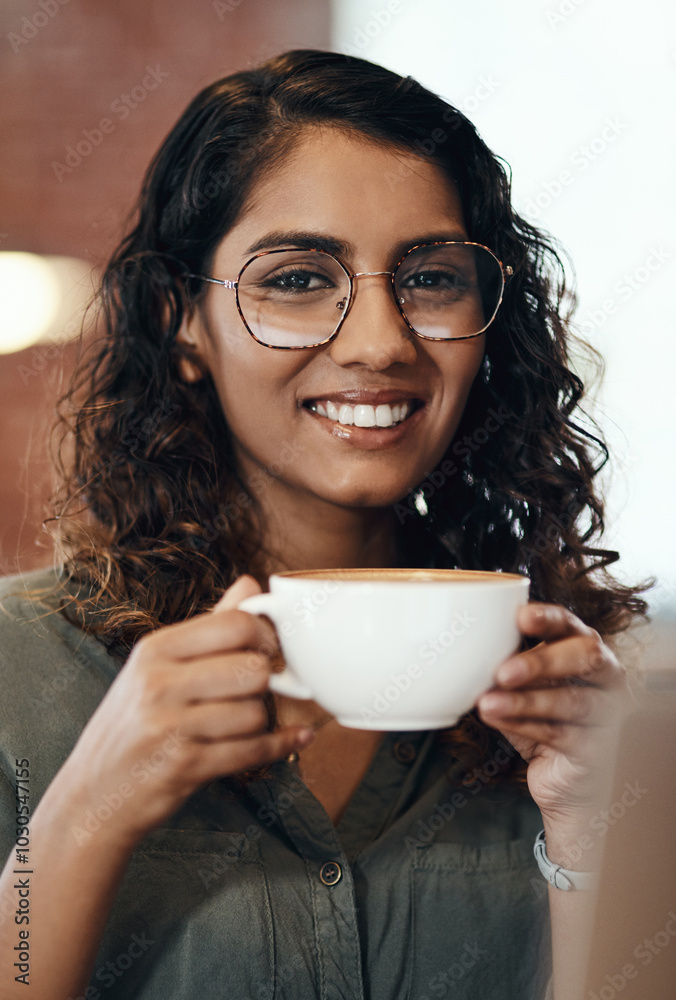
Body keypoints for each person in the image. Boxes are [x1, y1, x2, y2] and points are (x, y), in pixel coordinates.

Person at [0, 49, 645, 1000]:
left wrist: (600, 830)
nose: (382, 341)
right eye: (299, 279)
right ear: (183, 320)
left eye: (430, 278)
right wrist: (87, 809)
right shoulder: (21, 673)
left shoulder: (585, 694)